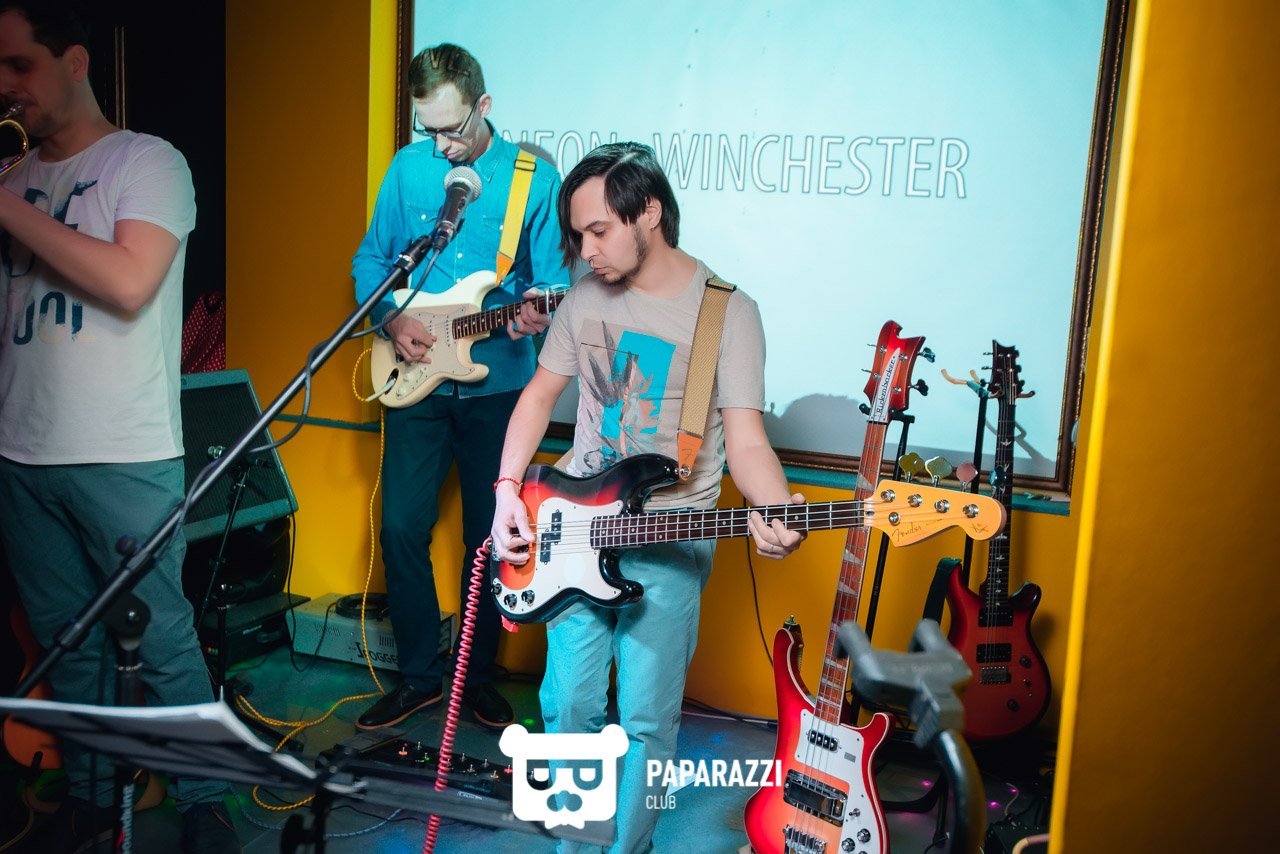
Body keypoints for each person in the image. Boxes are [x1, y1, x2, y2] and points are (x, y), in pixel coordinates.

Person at [490, 142, 806, 853]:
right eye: (579, 235)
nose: (586, 251)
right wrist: (508, 490)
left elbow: (746, 440)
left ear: (649, 213)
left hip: (667, 540)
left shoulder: (728, 313)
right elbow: (537, 398)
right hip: (570, 534)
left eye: (599, 231)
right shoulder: (583, 299)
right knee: (566, 707)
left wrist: (775, 507)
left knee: (645, 723)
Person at [0, 3, 238, 852]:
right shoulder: (15, 178)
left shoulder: (147, 161)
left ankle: (207, 801)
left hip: (124, 453)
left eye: (20, 65)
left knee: (161, 638)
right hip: (21, 452)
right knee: (69, 645)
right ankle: (95, 800)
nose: (6, 86)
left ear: (74, 61)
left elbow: (131, 282)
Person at [351, 43, 569, 731]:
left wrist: (535, 312)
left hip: (498, 388)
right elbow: (371, 260)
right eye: (430, 130)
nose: (442, 145)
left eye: (453, 128)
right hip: (413, 381)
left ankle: (476, 681)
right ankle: (419, 677)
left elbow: (556, 284)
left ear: (484, 106)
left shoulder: (534, 178)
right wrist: (390, 318)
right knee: (399, 527)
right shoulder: (408, 168)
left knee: (488, 535)